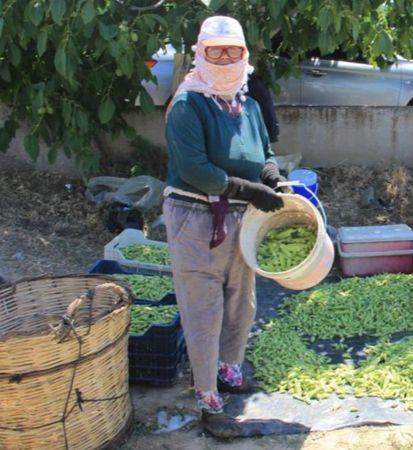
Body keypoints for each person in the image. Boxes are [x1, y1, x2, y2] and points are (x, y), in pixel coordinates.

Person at [163, 16, 287, 436]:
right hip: (197, 218)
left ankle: (229, 373)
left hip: (240, 218)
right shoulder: (188, 103)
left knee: (241, 300)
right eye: (215, 51)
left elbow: (264, 149)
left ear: (244, 54)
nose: (224, 58)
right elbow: (195, 169)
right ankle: (207, 396)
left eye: (232, 50)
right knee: (204, 310)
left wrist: (270, 174)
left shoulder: (247, 103)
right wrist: (247, 188)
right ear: (200, 54)